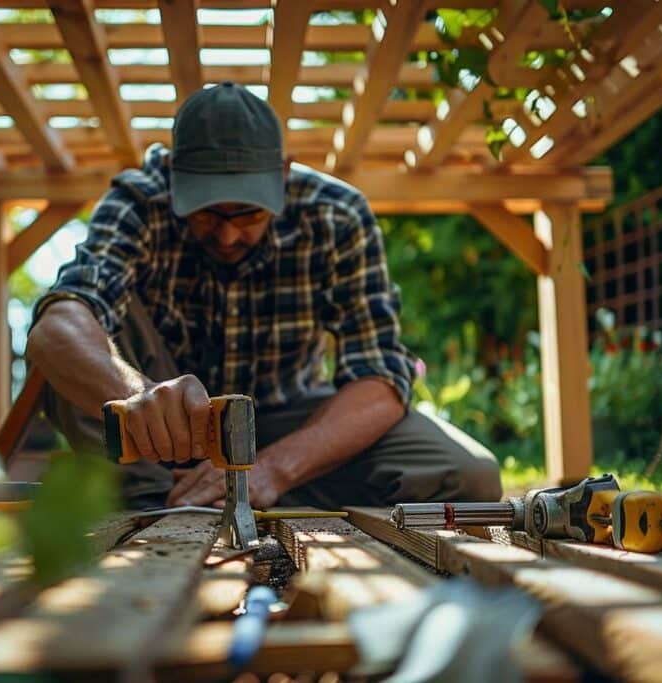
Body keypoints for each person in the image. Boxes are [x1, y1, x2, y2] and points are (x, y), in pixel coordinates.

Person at [26, 82, 502, 510]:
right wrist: (140, 399)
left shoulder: (338, 215)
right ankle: (167, 501)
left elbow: (380, 374)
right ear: (173, 174)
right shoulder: (138, 201)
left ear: (283, 174)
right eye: (207, 215)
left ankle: (256, 488)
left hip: (290, 423)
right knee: (73, 345)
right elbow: (58, 324)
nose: (229, 236)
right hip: (164, 437)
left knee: (469, 475)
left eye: (249, 214)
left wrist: (275, 466)